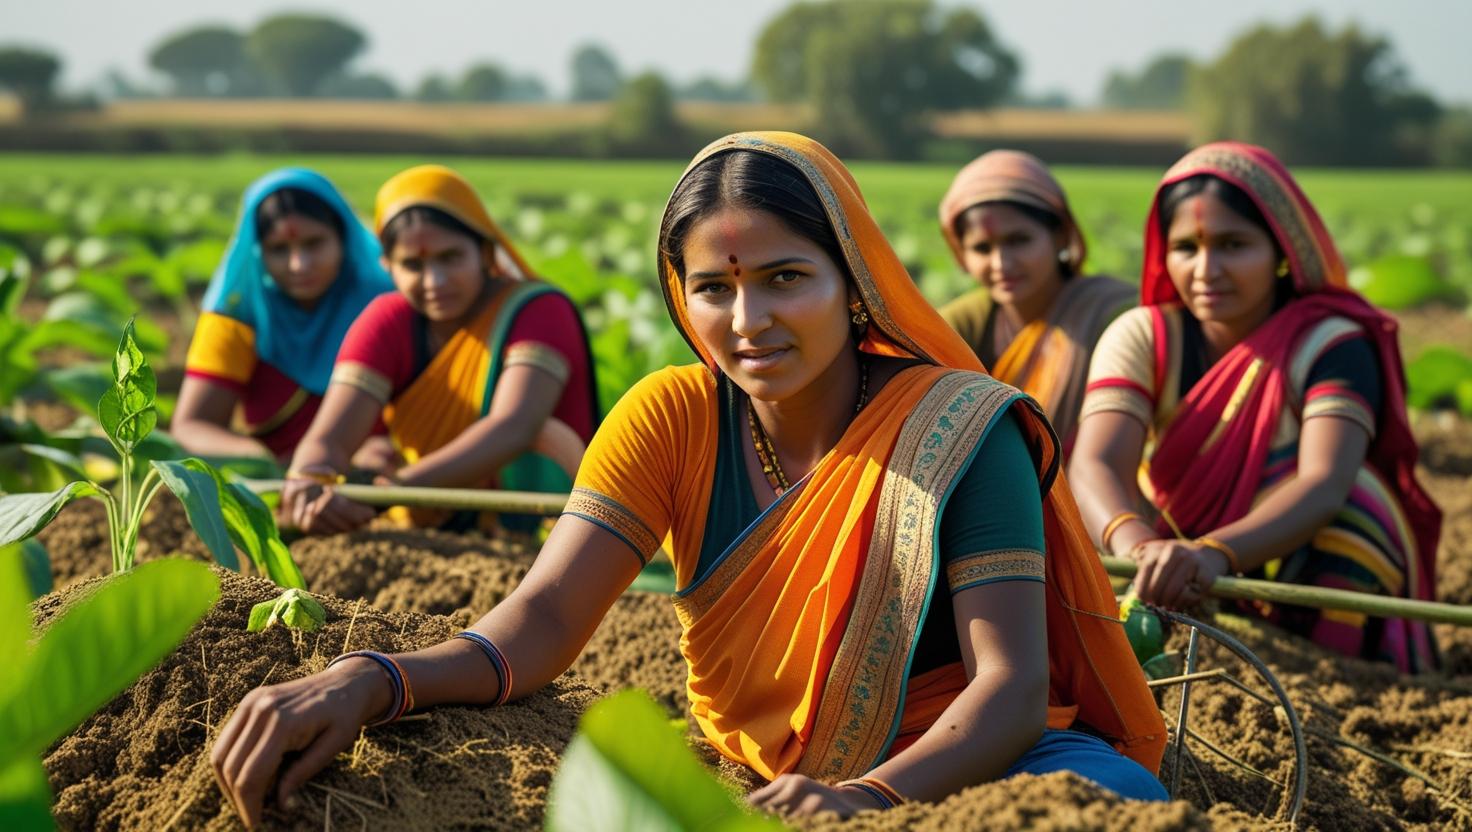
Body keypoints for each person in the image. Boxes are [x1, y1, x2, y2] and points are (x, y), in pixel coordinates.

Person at [213, 134, 1165, 828]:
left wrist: (864, 801)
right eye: (714, 288)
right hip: (760, 779)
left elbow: (1008, 684)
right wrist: (373, 679)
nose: (749, 319)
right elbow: (543, 620)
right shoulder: (670, 418)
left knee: (1112, 805)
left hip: (973, 767)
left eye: (787, 278)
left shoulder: (957, 428)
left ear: (854, 282)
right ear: (681, 294)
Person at [1070, 142, 1442, 673]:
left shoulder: (1330, 343)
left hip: (1293, 558)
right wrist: (1140, 550)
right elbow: (1095, 462)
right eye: (1186, 247)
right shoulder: (1143, 336)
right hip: (1166, 555)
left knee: (1360, 504)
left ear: (1282, 251)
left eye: (1233, 244)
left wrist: (1213, 555)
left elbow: (1324, 483)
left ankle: (1348, 673)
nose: (1206, 269)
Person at [280, 165, 598, 534]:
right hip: (422, 523)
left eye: (450, 257)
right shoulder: (387, 322)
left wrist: (389, 492)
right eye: (413, 265)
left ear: (484, 251)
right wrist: (309, 479)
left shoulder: (538, 311)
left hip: (546, 531)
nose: (435, 282)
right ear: (388, 267)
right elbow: (330, 437)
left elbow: (514, 426)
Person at [175, 169, 394, 466]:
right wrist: (264, 461)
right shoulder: (237, 315)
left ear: (343, 239)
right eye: (279, 249)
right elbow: (192, 426)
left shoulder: (386, 306)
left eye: (314, 244)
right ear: (257, 254)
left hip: (376, 482)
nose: (299, 265)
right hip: (276, 490)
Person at [937, 151, 1136, 452]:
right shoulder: (960, 325)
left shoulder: (1115, 314)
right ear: (960, 253)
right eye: (981, 248)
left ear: (1060, 236)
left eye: (1019, 241)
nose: (1001, 263)